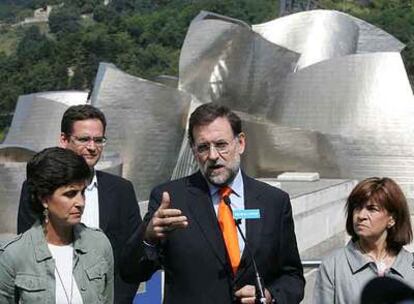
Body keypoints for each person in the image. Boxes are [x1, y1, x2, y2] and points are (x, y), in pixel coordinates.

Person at [121, 103, 305, 304]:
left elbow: (293, 278)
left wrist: (270, 296)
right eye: (203, 147)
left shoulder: (274, 202)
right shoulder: (171, 200)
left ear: (241, 143)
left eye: (221, 144)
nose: (213, 156)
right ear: (193, 151)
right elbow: (131, 273)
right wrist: (148, 238)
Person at [17, 105, 141, 304]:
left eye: (98, 140)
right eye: (84, 139)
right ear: (64, 140)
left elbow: (131, 256)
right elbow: (28, 252)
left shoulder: (122, 190)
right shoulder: (36, 187)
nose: (92, 147)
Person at [0, 147, 114, 303]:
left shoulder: (99, 244)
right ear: (44, 199)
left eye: (83, 192)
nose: (80, 202)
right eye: (70, 194)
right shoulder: (14, 256)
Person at [313, 177, 414, 304]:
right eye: (357, 207)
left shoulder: (410, 266)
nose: (361, 216)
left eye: (372, 209)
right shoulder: (334, 266)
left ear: (392, 219)